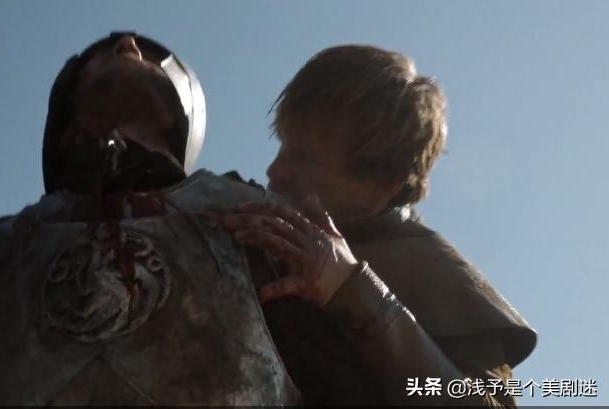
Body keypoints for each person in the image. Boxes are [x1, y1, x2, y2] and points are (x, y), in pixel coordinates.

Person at [0, 32, 301, 406]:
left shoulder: (249, 216)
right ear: (65, 127)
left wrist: (341, 289)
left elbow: (338, 375)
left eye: (146, 56)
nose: (127, 45)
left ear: (180, 110)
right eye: (106, 53)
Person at [223, 45, 537, 406]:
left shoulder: (440, 279)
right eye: (284, 147)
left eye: (305, 160)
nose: (275, 171)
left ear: (384, 184)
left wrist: (350, 287)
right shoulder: (248, 222)